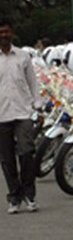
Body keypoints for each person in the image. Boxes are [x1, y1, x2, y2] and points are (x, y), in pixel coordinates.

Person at [0, 17, 42, 213]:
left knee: (27, 153)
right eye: (1, 32)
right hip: (2, 114)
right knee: (7, 159)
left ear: (12, 33)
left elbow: (33, 83)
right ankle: (14, 197)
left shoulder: (23, 56)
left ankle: (29, 194)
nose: (4, 35)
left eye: (6, 32)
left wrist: (38, 106)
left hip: (24, 111)